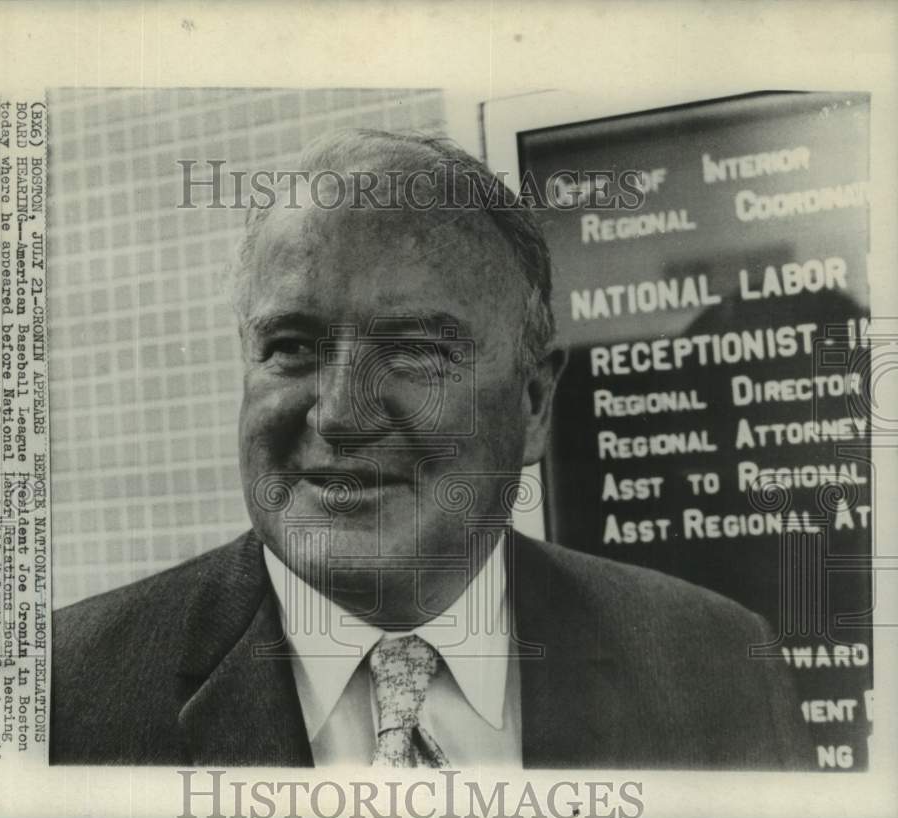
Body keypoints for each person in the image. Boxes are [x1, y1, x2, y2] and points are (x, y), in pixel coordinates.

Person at [51, 129, 812, 768]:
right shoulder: (67, 696)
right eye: (290, 346)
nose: (343, 412)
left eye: (414, 351)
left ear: (534, 400)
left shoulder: (716, 668)